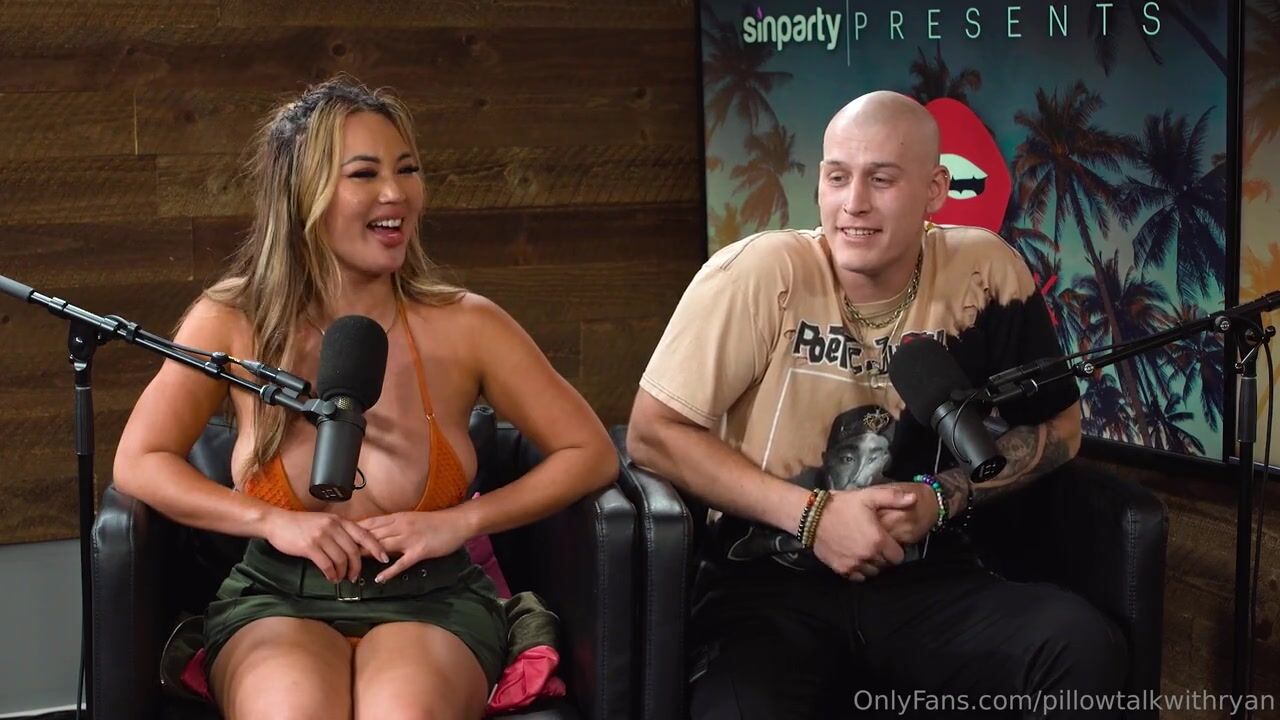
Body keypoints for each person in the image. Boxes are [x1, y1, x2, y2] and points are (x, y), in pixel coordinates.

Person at [113, 76, 618, 720]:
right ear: (304, 194)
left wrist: (461, 522)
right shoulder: (232, 320)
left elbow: (590, 453)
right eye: (364, 174)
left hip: (432, 600)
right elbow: (140, 460)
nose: (396, 193)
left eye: (407, 169)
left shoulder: (469, 324)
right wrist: (271, 521)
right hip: (277, 597)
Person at [626, 90, 1126, 718]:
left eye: (881, 179)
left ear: (935, 190)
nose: (853, 203)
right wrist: (813, 517)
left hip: (926, 581)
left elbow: (1060, 426)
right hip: (767, 587)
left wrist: (943, 497)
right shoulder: (760, 273)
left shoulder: (985, 275)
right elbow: (653, 433)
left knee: (1079, 645)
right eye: (838, 177)